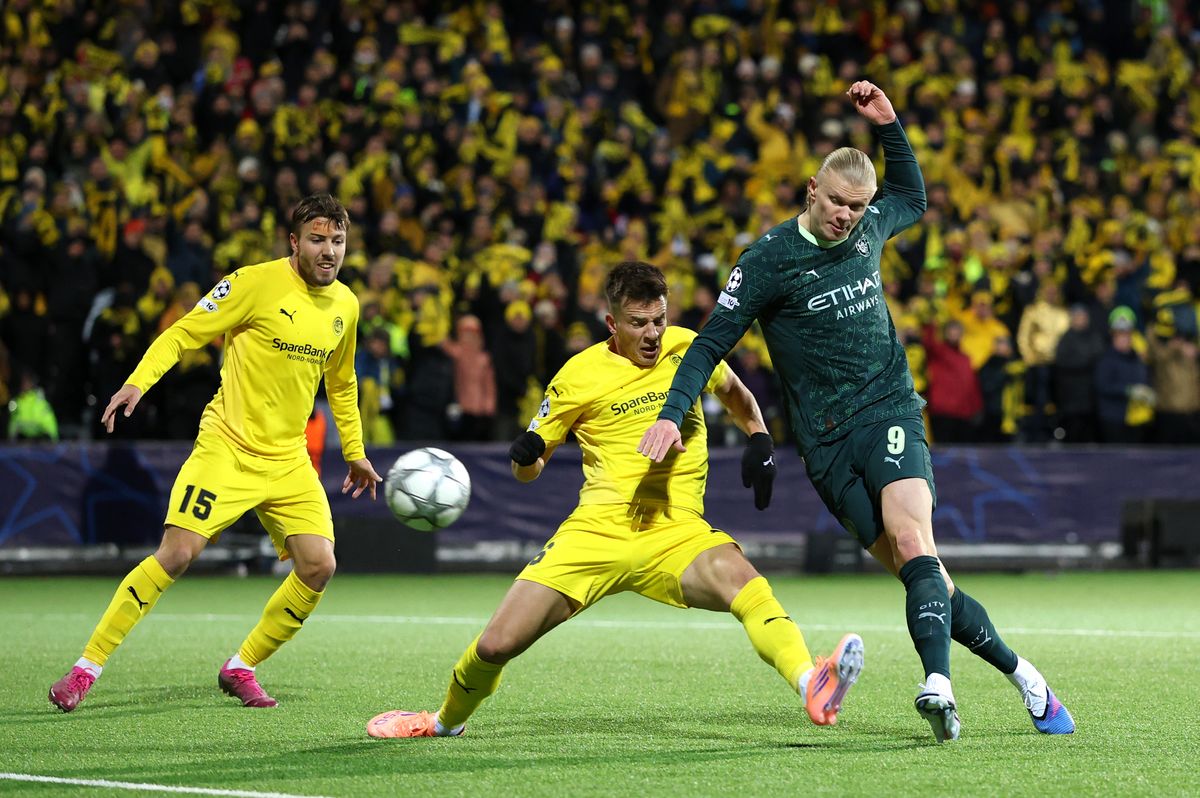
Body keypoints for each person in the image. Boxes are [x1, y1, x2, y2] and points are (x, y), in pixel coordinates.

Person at [639, 82, 1074, 743]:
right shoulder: (768, 261)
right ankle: (1028, 680)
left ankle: (938, 686)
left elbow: (915, 198)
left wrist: (891, 125)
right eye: (838, 202)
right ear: (812, 189)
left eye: (858, 206)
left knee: (910, 539)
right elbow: (706, 346)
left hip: (888, 409)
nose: (848, 216)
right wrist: (673, 411)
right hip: (825, 447)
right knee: (929, 580)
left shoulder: (874, 223)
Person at [366, 261, 864, 739]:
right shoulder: (578, 376)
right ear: (612, 322)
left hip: (675, 530)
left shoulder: (688, 348)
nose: (652, 333)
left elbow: (735, 392)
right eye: (639, 323)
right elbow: (528, 471)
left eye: (659, 320)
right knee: (496, 644)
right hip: (596, 532)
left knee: (748, 586)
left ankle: (810, 682)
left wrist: (759, 438)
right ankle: (443, 721)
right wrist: (527, 455)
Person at [49, 193, 382, 712]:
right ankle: (85, 669)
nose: (329, 252)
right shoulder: (252, 283)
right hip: (226, 447)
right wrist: (138, 382)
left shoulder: (346, 305)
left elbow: (341, 382)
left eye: (337, 241)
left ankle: (241, 666)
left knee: (318, 565)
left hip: (288, 459)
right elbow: (184, 332)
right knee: (177, 554)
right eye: (317, 240)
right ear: (293, 242)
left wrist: (356, 451)